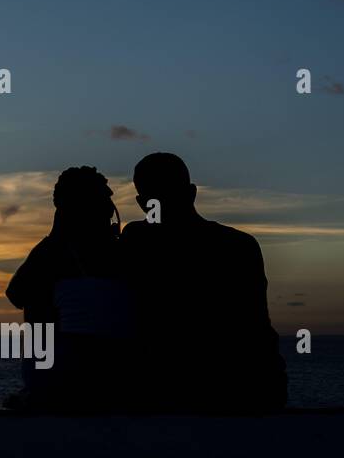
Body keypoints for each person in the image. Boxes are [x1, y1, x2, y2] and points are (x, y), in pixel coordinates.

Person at [121, 153, 286, 413]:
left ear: (142, 203)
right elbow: (257, 330)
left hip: (162, 395)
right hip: (235, 390)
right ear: (193, 192)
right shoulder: (239, 246)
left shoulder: (136, 243)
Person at [5, 166, 137, 411]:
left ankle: (41, 388)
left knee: (39, 295)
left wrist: (55, 235)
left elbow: (15, 294)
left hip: (69, 381)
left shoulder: (53, 253)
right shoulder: (127, 251)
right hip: (123, 377)